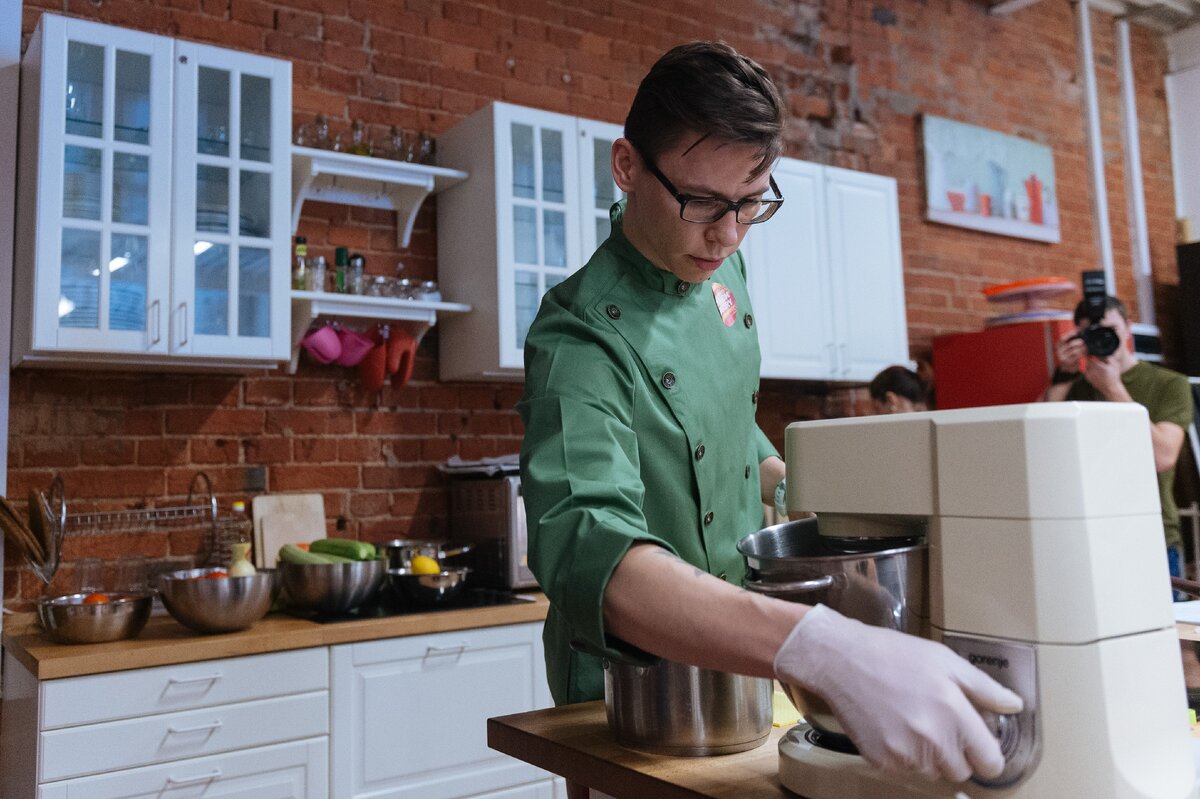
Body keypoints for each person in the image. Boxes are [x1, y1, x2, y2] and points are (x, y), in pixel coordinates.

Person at [517, 41, 1022, 791]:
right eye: (700, 202)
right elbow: (593, 557)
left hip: (744, 667)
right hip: (631, 700)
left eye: (750, 202)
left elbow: (720, 418)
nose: (726, 234)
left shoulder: (724, 270)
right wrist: (826, 649)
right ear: (626, 167)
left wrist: (790, 477)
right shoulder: (578, 336)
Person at [1042, 294, 1194, 576]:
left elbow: (1162, 457)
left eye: (1109, 330)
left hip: (1151, 533)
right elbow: (1041, 449)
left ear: (1127, 327)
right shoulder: (1073, 388)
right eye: (1092, 333)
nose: (1102, 339)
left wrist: (1114, 389)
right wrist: (1063, 376)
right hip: (1086, 532)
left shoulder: (1170, 383)